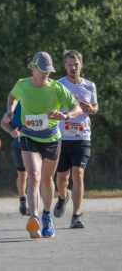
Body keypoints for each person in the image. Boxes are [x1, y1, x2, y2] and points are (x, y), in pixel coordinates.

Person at [3, 51, 82, 239]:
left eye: (49, 71)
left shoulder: (56, 88)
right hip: (29, 136)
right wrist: (10, 111)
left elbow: (76, 108)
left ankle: (47, 216)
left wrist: (65, 116)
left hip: (52, 139)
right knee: (33, 175)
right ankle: (34, 217)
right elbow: (12, 96)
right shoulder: (22, 84)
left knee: (47, 180)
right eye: (42, 70)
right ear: (33, 67)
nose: (46, 74)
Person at [54, 50, 98, 228]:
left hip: (82, 136)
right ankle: (63, 196)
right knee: (62, 178)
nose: (73, 68)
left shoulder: (89, 86)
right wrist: (65, 105)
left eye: (76, 64)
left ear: (81, 65)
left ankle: (76, 215)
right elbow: (51, 107)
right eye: (70, 65)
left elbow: (95, 107)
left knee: (78, 174)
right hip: (62, 137)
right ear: (65, 66)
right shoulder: (58, 85)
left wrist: (90, 109)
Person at [0, 102, 29, 216]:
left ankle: (33, 206)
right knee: (22, 174)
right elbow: (3, 122)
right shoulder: (17, 104)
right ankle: (22, 199)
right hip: (19, 144)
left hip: (36, 143)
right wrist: (11, 131)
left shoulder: (38, 99)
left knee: (34, 174)